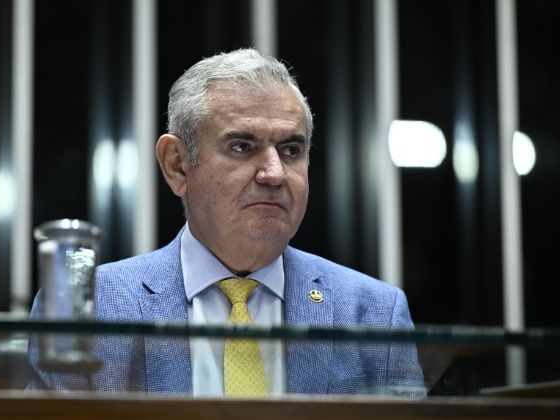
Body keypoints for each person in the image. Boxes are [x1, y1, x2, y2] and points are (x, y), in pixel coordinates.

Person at [28, 48, 424, 397]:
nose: (274, 173)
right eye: (242, 146)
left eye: (291, 150)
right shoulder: (90, 308)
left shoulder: (375, 311)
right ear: (177, 165)